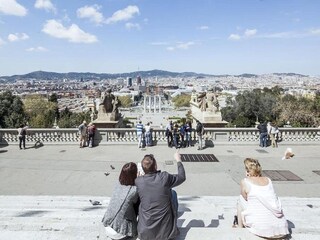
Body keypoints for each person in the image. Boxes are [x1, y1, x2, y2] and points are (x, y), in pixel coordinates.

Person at [135, 153, 186, 240]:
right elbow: (182, 177)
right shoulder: (164, 177)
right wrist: (178, 160)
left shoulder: (138, 181)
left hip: (145, 233)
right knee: (173, 193)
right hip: (166, 234)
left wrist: (139, 179)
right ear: (155, 166)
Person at [237, 158, 289, 238]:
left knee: (240, 199)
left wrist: (247, 178)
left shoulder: (245, 181)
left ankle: (240, 228)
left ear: (247, 170)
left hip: (262, 230)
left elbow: (245, 198)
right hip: (282, 229)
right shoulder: (268, 180)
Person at [102, 162, 139, 240]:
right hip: (120, 232)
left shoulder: (117, 183)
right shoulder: (134, 190)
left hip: (108, 225)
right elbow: (136, 202)